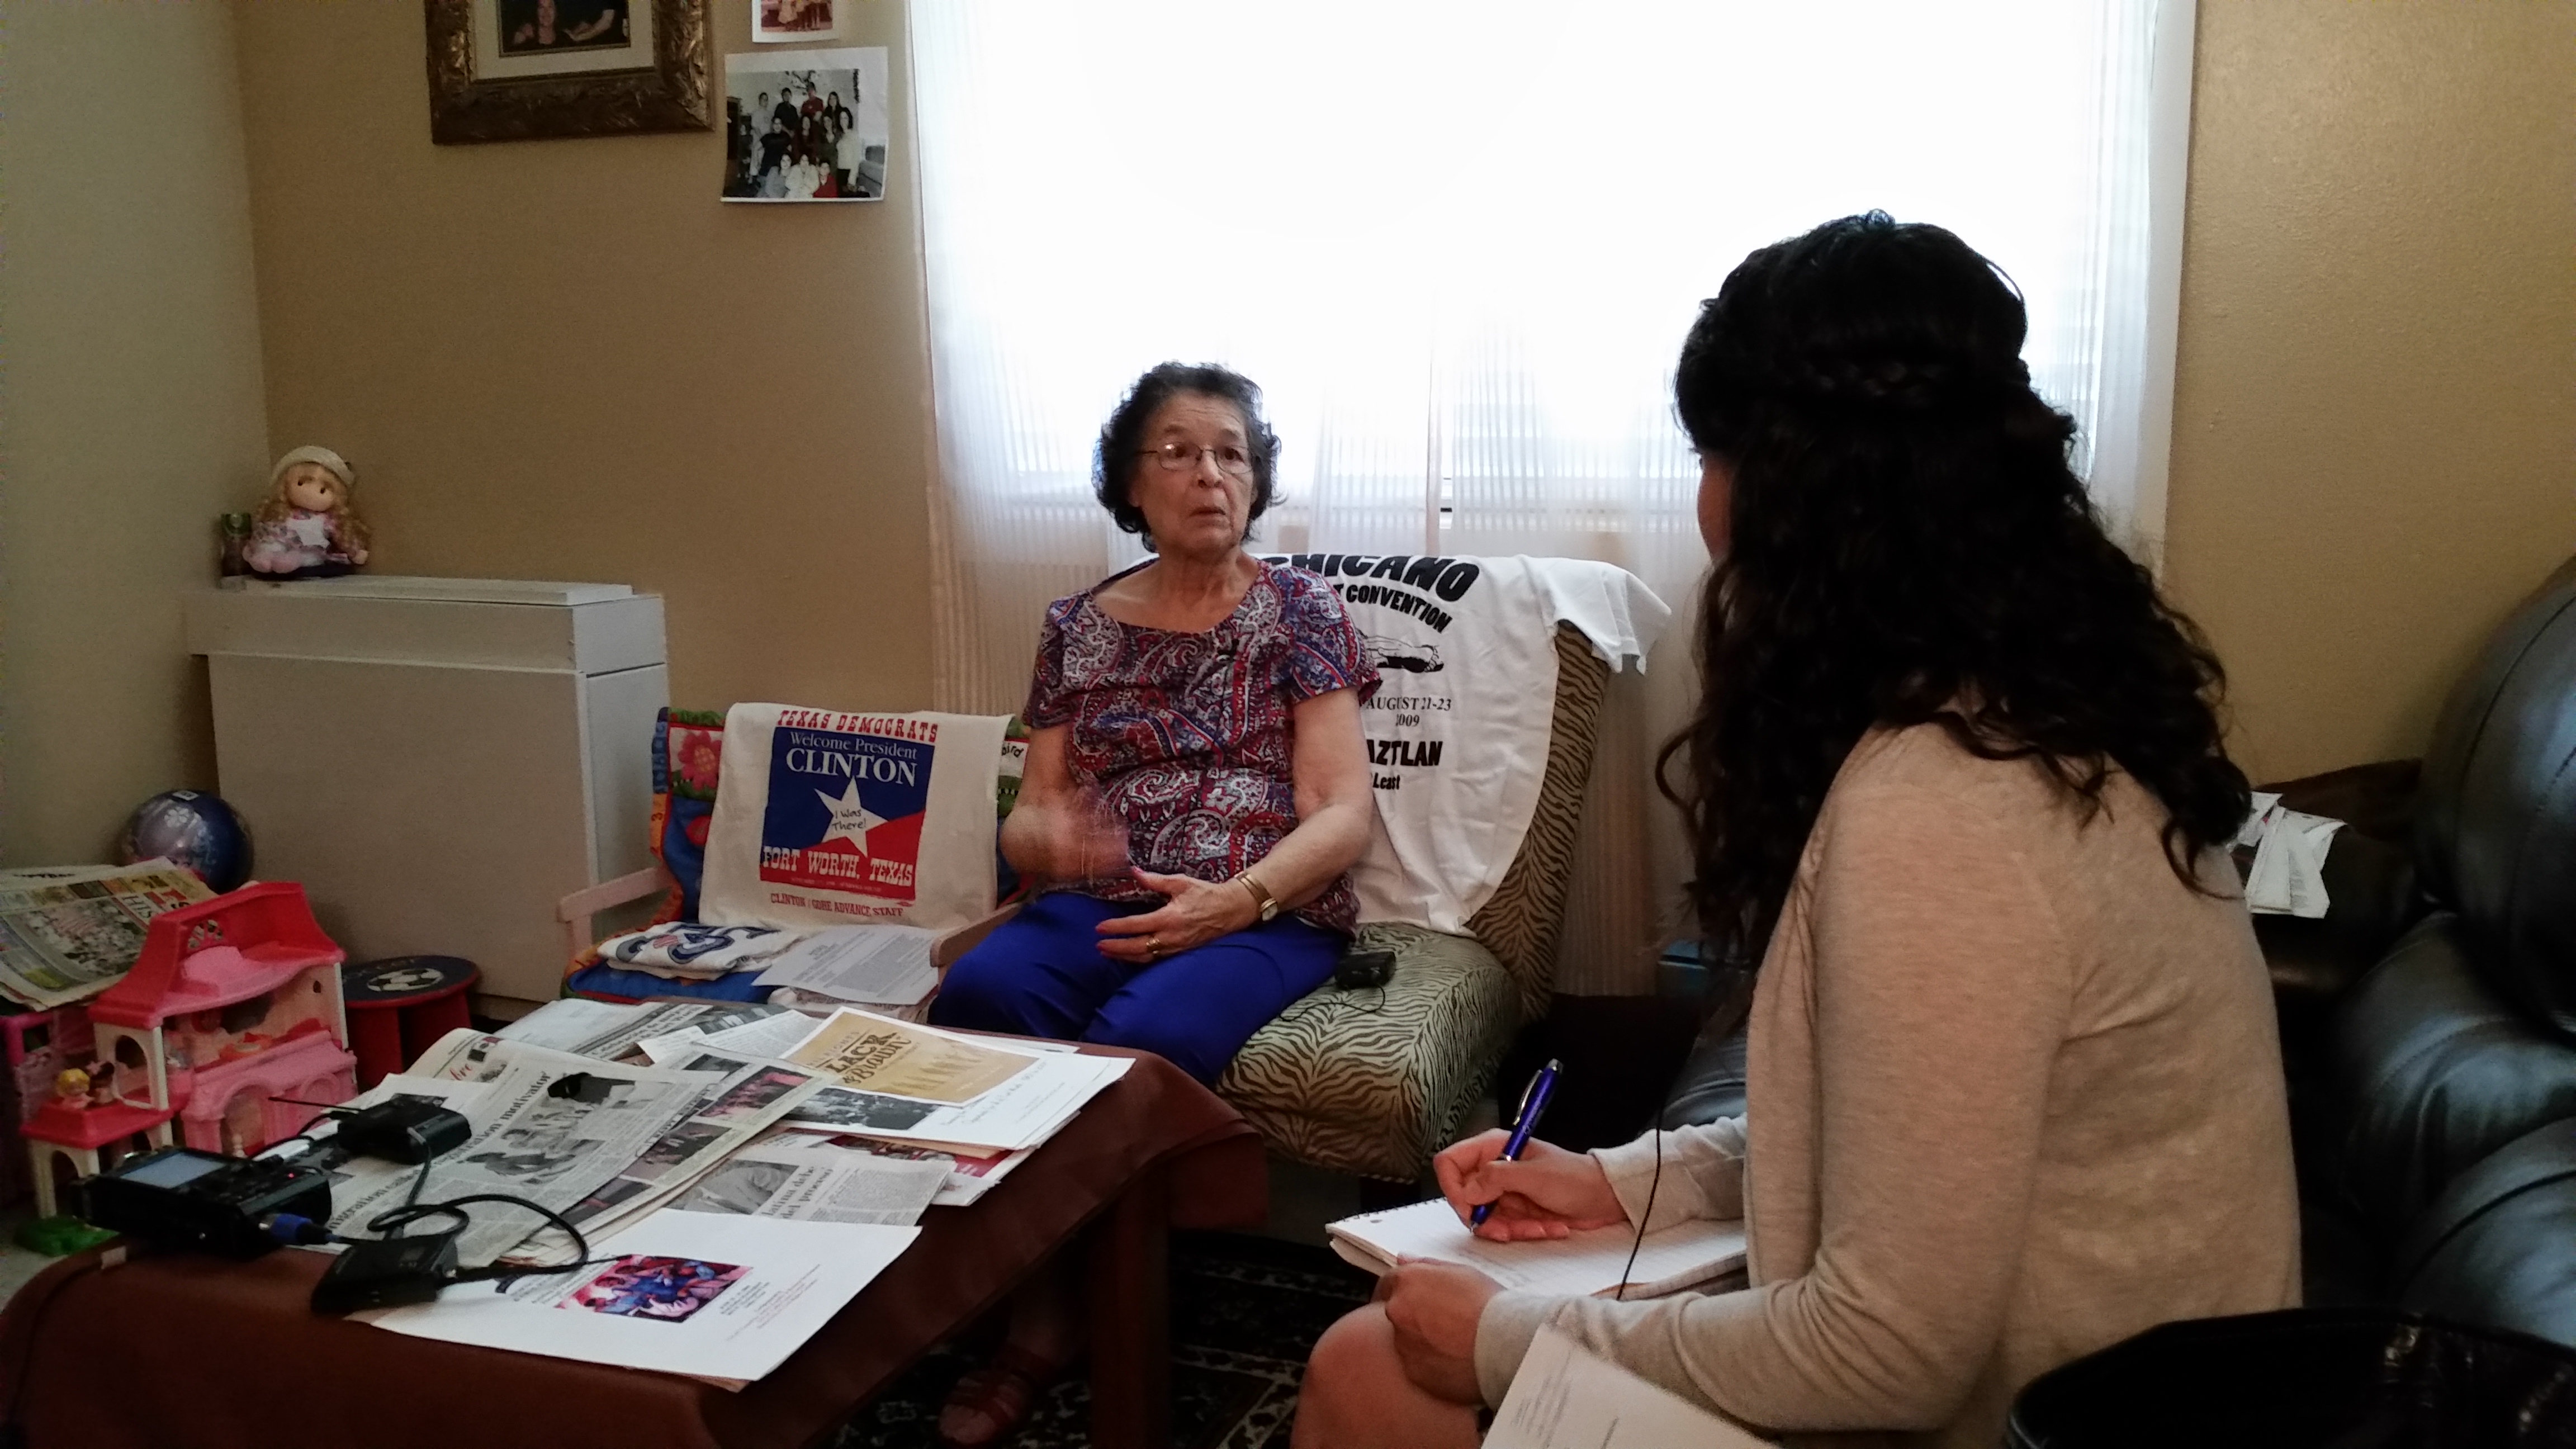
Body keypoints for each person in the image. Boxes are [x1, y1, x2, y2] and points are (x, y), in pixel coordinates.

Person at [1291, 212, 2300, 1448]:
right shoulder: (2042, 715)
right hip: (2099, 1375)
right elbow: (1914, 1133)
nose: (1704, 507)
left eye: (1712, 457)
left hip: (2041, 1416)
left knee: (1370, 1367)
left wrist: (1503, 1338)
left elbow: (1887, 1357)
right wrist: (1616, 1179)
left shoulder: (1948, 812)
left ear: (1801, 499)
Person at [926, 362, 1380, 1446]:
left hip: (1264, 910)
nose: (1210, 475)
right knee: (980, 996)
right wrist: (1048, 838)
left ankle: (1052, 1322)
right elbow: (1030, 813)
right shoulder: (1074, 625)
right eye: (1178, 452)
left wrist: (1241, 897)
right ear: (1131, 485)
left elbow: (1343, 812)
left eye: (1231, 453)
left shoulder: (1302, 613)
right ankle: (1050, 1297)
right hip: (1099, 901)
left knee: (1140, 1043)